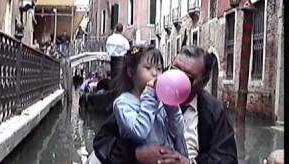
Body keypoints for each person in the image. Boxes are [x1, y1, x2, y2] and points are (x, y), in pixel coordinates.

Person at [92, 45, 238, 164]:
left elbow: (227, 158)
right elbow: (103, 142)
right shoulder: (138, 101)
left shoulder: (213, 111)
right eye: (173, 70)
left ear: (203, 83)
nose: (175, 78)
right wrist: (136, 155)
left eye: (187, 77)